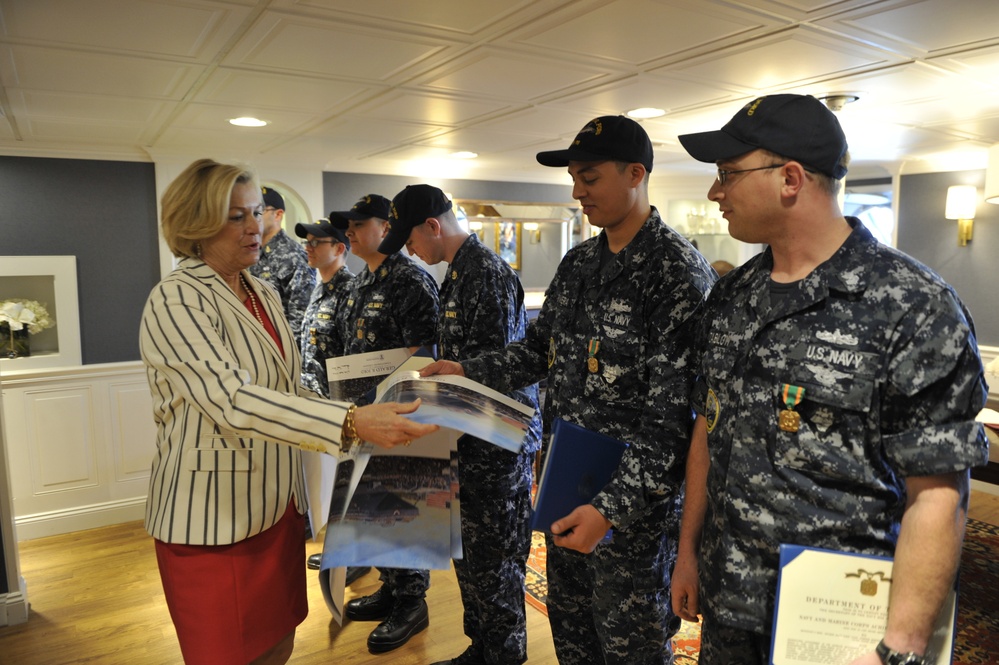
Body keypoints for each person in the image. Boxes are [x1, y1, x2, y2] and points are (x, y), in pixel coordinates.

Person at [672, 94, 990, 665]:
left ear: (790, 179)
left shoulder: (914, 307)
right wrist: (687, 551)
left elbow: (938, 494)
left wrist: (900, 647)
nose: (715, 193)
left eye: (727, 175)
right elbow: (708, 425)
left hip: (838, 625)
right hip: (728, 609)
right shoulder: (730, 298)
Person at [421, 116, 716, 664]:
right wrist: (466, 370)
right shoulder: (579, 263)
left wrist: (610, 508)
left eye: (590, 177)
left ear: (636, 174)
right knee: (573, 637)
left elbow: (674, 422)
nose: (578, 191)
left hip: (632, 521)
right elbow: (536, 350)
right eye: (574, 179)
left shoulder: (677, 273)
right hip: (568, 487)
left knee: (631, 650)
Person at [139, 159, 438, 665]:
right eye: (236, 216)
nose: (255, 226)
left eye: (256, 212)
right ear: (194, 223)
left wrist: (354, 417)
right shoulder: (176, 298)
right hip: (216, 521)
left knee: (277, 645)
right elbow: (231, 400)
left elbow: (288, 387)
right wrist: (348, 422)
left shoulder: (259, 292)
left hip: (275, 509)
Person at [378, 184, 543, 665]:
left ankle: (504, 656)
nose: (409, 250)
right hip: (468, 442)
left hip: (496, 447)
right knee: (470, 560)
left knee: (496, 565)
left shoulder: (486, 273)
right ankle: (482, 648)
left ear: (433, 225)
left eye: (409, 239)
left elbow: (492, 374)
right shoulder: (456, 274)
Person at [330, 193, 441, 654]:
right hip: (363, 415)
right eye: (348, 226)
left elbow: (429, 351)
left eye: (359, 224)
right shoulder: (358, 283)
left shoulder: (411, 281)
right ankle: (392, 587)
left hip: (399, 414)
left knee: (402, 505)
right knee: (375, 507)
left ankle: (412, 602)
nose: (350, 233)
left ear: (385, 227)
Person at [249, 186, 316, 338]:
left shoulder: (293, 254)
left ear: (278, 214)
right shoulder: (251, 252)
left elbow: (300, 317)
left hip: (281, 348)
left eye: (260, 212)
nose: (254, 218)